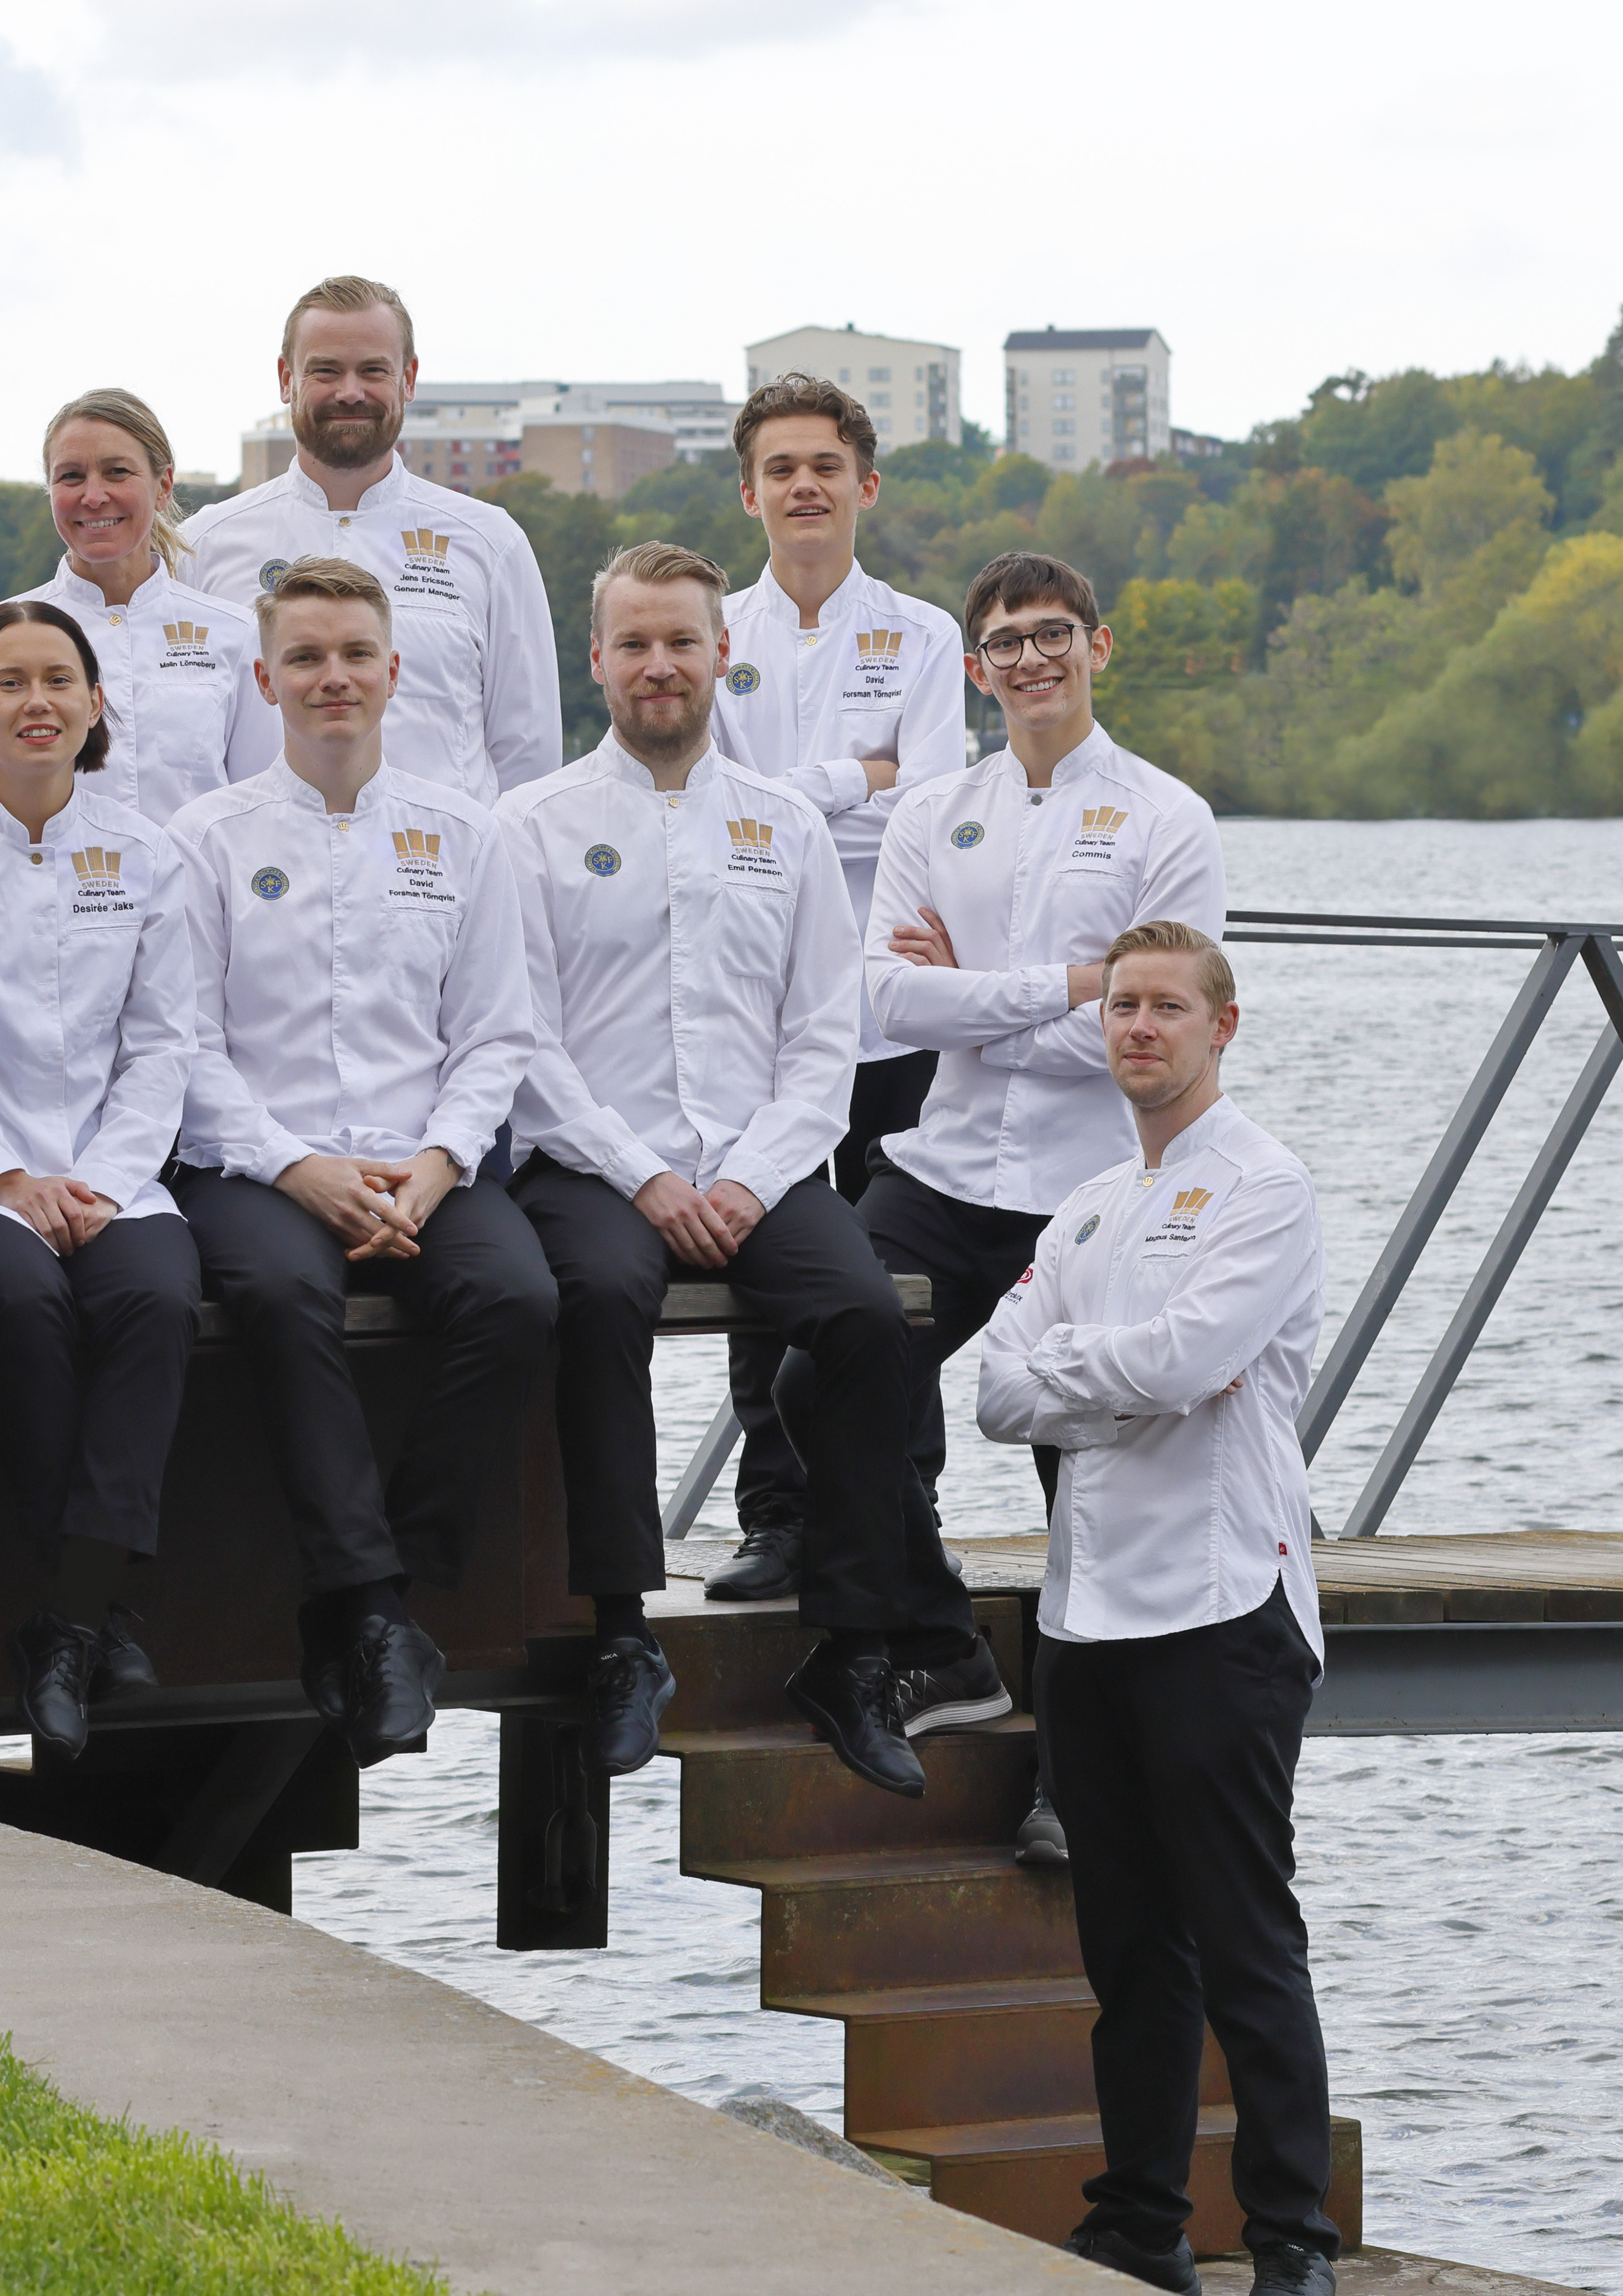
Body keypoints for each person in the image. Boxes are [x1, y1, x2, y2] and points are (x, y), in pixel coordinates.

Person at [504, 543, 974, 1792]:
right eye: (635, 643)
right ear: (597, 660)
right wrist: (645, 1178)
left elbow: (822, 1039)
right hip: (593, 1166)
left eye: (683, 642)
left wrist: (752, 1181)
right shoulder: (533, 827)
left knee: (867, 1316)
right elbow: (523, 1043)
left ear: (723, 657)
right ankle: (622, 1633)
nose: (660, 665)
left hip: (756, 1165)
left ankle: (856, 1645)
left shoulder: (785, 825)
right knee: (599, 1296)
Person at [979, 920, 1338, 2296]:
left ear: (1219, 1026)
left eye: (1167, 1007)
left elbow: (1191, 1360)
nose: (1139, 1026)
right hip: (1084, 1615)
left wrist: (1086, 1377)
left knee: (1244, 1940)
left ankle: (1290, 2240)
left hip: (1222, 1605)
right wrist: (1116, 1383)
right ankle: (1140, 2222)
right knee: (1126, 1950)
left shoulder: (1265, 1186)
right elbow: (997, 1393)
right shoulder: (1080, 1209)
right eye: (1122, 1005)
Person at [861, 552, 1227, 1825]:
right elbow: (886, 1001)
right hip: (942, 1169)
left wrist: (975, 996)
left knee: (1090, 1482)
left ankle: (1076, 1792)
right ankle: (938, 1643)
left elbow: (1152, 1028)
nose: (1031, 658)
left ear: (1096, 646)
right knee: (826, 1373)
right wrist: (1066, 985)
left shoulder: (1166, 819)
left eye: (1053, 633)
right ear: (977, 668)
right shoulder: (931, 813)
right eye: (1007, 641)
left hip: (1093, 1191)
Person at [170, 558, 553, 1766]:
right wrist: (297, 1169)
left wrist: (438, 1166)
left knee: (517, 1297)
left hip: (422, 1162)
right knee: (284, 1295)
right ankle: (374, 1612)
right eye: (305, 658)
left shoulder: (466, 835)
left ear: (393, 672)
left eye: (352, 656)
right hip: (256, 1169)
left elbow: (495, 1034)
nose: (330, 678)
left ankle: (385, 1589)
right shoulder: (206, 840)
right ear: (264, 678)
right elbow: (184, 1044)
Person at [0, 600, 201, 1756]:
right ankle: (101, 1613)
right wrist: (4, 1174)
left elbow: (162, 1046)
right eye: (9, 683)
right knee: (20, 1299)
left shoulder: (148, 854)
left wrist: (104, 1181)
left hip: (110, 1173)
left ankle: (69, 1620)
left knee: (156, 1298)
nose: (37, 702)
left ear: (94, 705)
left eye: (58, 681)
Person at [703, 374, 971, 1607]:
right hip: (750, 995)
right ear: (748, 492)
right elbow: (702, 804)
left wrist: (791, 799)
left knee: (895, 1273)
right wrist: (858, 775)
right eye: (781, 468)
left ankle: (904, 1509)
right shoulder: (713, 634)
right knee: (759, 1252)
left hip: (890, 995)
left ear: (865, 484)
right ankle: (777, 1517)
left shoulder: (921, 635)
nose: (803, 486)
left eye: (825, 466)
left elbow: (933, 803)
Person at [183, 277, 558, 803]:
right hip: (259, 855)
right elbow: (186, 747)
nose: (350, 392)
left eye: (373, 371)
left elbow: (528, 761)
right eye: (325, 371)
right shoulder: (201, 548)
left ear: (408, 379)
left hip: (435, 856)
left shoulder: (491, 544)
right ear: (286, 379)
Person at [0, 389, 276, 826]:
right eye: (71, 476)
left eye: (117, 472)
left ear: (163, 486)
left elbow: (262, 811)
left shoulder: (237, 634)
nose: (93, 496)